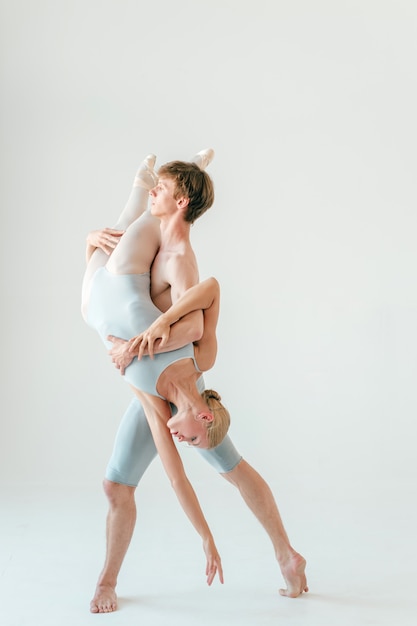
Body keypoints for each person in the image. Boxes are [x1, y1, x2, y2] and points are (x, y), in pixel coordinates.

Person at [83, 150, 308, 613]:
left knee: (123, 484)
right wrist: (148, 335)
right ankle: (107, 581)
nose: (185, 442)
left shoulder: (157, 405)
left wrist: (207, 539)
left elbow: (176, 476)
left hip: (110, 311)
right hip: (121, 296)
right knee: (135, 219)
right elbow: (208, 297)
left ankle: (287, 556)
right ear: (204, 414)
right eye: (193, 436)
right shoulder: (202, 352)